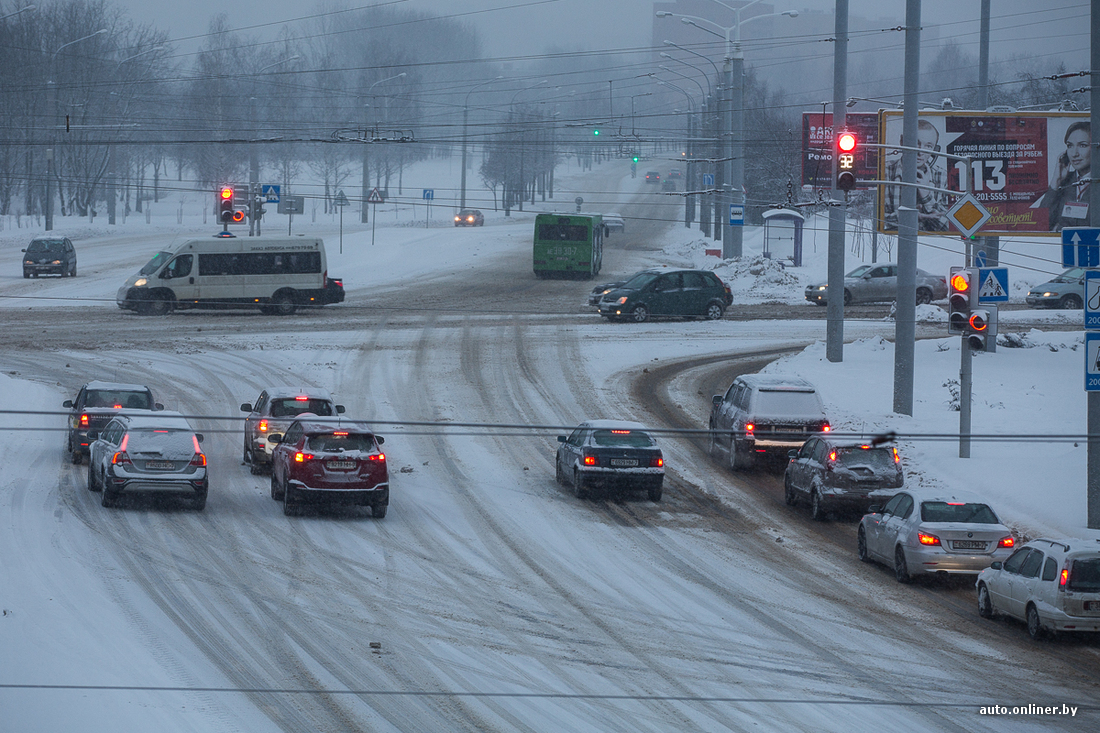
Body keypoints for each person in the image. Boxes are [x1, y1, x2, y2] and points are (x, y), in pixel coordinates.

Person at [883, 119, 950, 232]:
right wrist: (911, 216)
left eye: (928, 146)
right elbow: (879, 221)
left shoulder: (943, 176)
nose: (920, 152)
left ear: (935, 150)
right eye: (916, 143)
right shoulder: (885, 171)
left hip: (934, 244)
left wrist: (926, 196)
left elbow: (949, 227)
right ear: (902, 141)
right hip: (895, 242)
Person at [1039, 121, 1091, 232]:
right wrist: (1055, 182)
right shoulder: (1065, 182)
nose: (1074, 153)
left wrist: (1061, 227)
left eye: (1082, 145)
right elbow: (1041, 223)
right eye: (1070, 146)